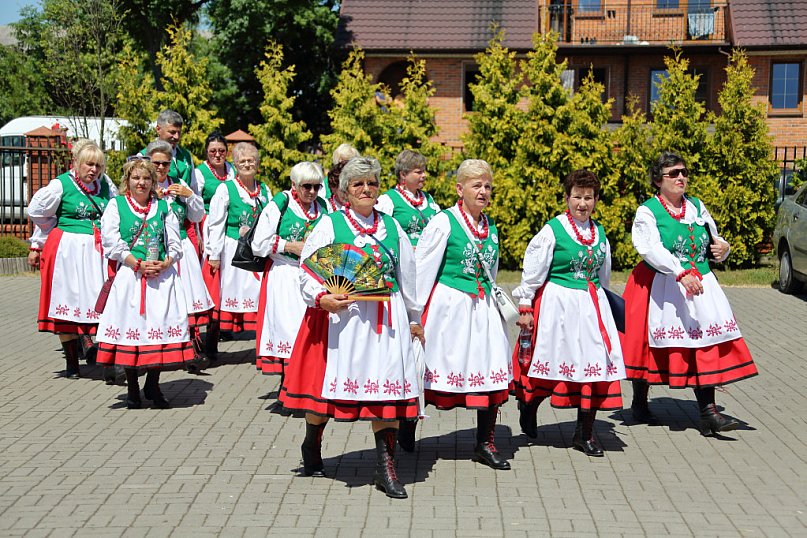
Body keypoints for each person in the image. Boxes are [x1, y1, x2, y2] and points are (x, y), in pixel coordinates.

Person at [278, 157, 423, 499]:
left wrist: (414, 317)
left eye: (372, 183)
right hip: (344, 320)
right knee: (323, 399)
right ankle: (312, 442)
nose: (366, 189)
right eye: (358, 184)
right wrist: (320, 298)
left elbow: (408, 275)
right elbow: (308, 271)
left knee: (387, 393)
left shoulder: (391, 226)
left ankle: (385, 468)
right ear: (344, 192)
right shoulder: (330, 225)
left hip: (386, 321)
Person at [622, 152, 757, 436]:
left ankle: (708, 412)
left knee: (703, 341)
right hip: (661, 282)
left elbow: (712, 237)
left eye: (683, 172)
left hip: (700, 282)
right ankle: (639, 402)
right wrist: (679, 272)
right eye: (673, 174)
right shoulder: (648, 211)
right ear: (658, 180)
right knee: (648, 345)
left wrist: (723, 248)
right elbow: (650, 248)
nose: (681, 177)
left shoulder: (696, 206)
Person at [512, 170, 625, 457]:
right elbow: (533, 271)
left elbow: (604, 274)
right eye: (577, 197)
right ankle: (530, 403)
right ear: (567, 197)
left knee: (594, 368)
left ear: (596, 199)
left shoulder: (600, 233)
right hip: (559, 305)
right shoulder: (553, 230)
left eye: (588, 197)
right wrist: (526, 303)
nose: (582, 203)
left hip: (591, 306)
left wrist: (603, 303)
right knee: (552, 365)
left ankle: (583, 433)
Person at [415, 159, 512, 470]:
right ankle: (405, 427)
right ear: (460, 189)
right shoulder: (444, 222)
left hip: (482, 309)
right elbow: (422, 269)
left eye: (487, 186)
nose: (483, 191)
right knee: (434, 368)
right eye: (476, 185)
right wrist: (414, 315)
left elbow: (492, 272)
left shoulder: (491, 226)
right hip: (449, 308)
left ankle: (485, 442)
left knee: (490, 366)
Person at [95, 157, 193, 409]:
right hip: (131, 276)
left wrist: (166, 263)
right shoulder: (116, 205)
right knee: (133, 329)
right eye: (136, 178)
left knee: (157, 328)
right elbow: (111, 242)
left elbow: (175, 243)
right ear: (127, 181)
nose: (141, 182)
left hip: (160, 278)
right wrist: (135, 264)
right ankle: (132, 387)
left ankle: (153, 383)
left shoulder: (163, 207)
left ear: (153, 181)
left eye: (146, 178)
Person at [27, 139, 118, 378]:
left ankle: (105, 357)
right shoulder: (61, 184)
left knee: (100, 303)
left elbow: (115, 211)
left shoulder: (106, 185)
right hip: (68, 250)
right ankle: (72, 363)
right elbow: (35, 210)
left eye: (98, 165)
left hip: (98, 252)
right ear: (76, 163)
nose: (94, 170)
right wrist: (53, 228)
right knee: (67, 302)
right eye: (89, 164)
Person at [251, 162, 328, 395]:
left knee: (310, 331)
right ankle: (287, 387)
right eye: (307, 186)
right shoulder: (280, 204)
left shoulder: (323, 207)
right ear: (294, 185)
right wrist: (290, 246)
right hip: (285, 274)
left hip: (314, 275)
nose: (312, 192)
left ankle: (308, 386)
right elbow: (259, 243)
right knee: (288, 330)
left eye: (316, 186)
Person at [145, 140, 213, 366]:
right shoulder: (143, 185)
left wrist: (190, 195)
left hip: (181, 247)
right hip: (154, 249)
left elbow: (195, 216)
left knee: (187, 298)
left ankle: (192, 350)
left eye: (165, 163)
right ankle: (158, 348)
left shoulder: (180, 184)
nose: (161, 168)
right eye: (156, 163)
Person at [203, 142, 271, 360]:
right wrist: (214, 254)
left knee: (260, 299)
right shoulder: (226, 189)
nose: (247, 164)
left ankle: (263, 347)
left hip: (256, 251)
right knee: (223, 297)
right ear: (236, 164)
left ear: (257, 164)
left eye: (251, 160)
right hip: (233, 251)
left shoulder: (265, 189)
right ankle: (210, 345)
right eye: (242, 161)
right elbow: (215, 223)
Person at [376, 149, 440, 246]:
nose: (424, 175)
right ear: (403, 174)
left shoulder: (428, 198)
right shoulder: (388, 200)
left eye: (423, 171)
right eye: (418, 172)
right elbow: (379, 234)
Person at [142, 110, 195, 185]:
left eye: (179, 132)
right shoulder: (144, 156)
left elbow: (194, 187)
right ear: (158, 129)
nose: (176, 137)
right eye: (172, 132)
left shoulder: (186, 156)